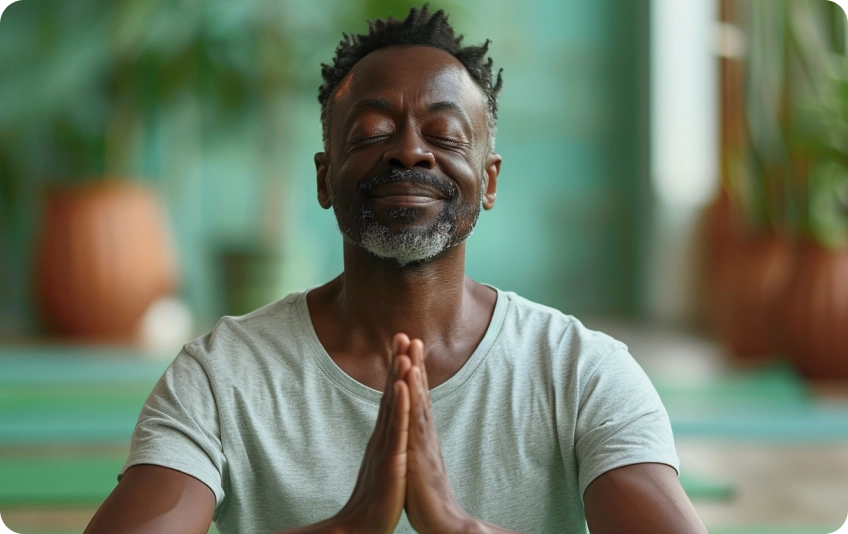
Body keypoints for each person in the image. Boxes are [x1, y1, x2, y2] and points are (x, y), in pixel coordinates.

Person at [85, 5, 708, 534]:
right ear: (325, 178)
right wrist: (348, 527)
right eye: (371, 133)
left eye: (445, 135)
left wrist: (460, 529)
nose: (409, 150)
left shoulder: (582, 372)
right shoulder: (223, 375)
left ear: (489, 180)